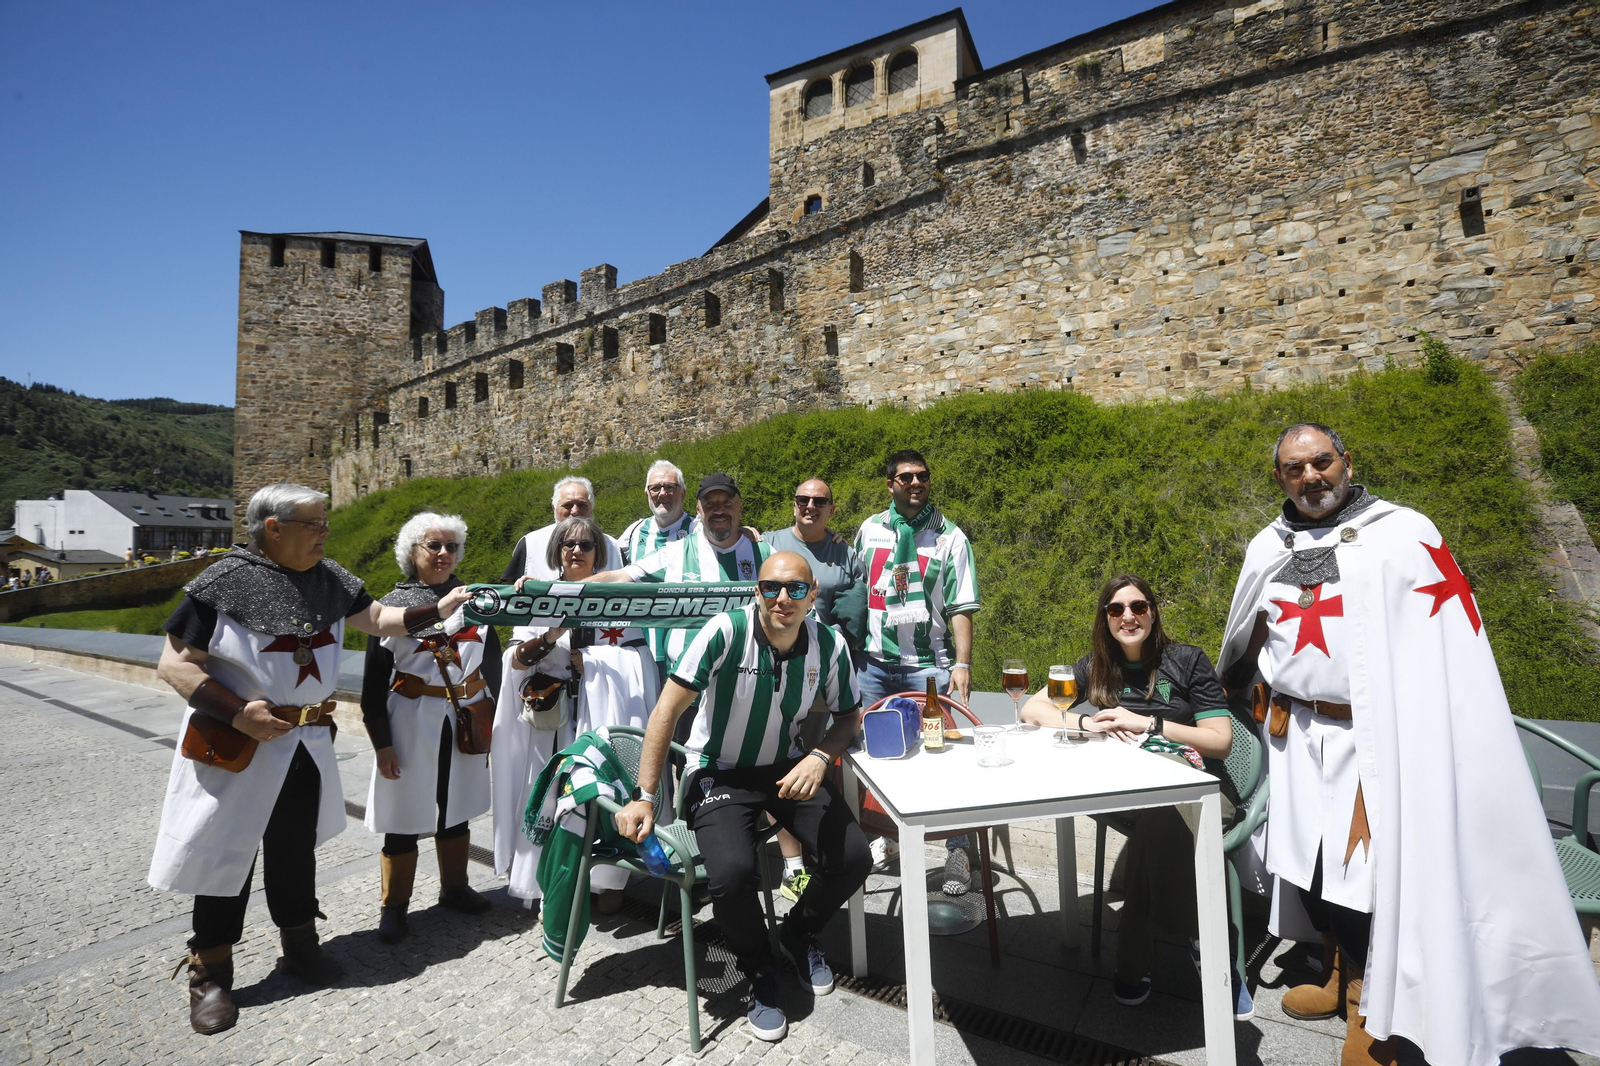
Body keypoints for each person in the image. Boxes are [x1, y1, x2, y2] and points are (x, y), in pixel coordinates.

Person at [1217, 423, 1600, 1066]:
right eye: (1294, 469)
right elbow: (1245, 635)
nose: (1311, 477)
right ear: (1279, 478)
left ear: (1346, 460)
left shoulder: (1403, 534)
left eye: (1321, 462)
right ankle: (1341, 980)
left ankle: (1375, 1009)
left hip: (1380, 742)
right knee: (1308, 868)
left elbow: (1447, 643)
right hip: (1296, 740)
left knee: (1371, 879)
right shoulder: (1269, 545)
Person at [149, 483, 472, 1035]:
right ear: (273, 528)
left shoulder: (329, 579)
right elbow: (176, 665)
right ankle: (211, 974)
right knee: (227, 854)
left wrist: (435, 609)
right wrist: (238, 713)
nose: (326, 531)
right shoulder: (223, 581)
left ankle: (300, 946)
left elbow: (377, 618)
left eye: (324, 522)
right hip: (240, 743)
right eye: (314, 523)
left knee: (294, 850)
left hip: (302, 744)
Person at [614, 552, 869, 1043]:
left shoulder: (829, 644)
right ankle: (761, 969)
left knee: (854, 857)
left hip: (786, 766)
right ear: (756, 589)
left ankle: (796, 932)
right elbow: (666, 709)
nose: (782, 598)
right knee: (730, 876)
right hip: (719, 772)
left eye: (796, 589)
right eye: (772, 586)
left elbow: (848, 718)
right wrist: (645, 795)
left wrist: (818, 758)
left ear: (813, 595)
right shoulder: (724, 632)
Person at [1021, 575, 1242, 1015]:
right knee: (1158, 817)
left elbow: (1220, 740)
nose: (1128, 616)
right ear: (1105, 619)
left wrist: (1150, 724)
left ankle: (1137, 959)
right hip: (1125, 787)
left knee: (1162, 821)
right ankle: (1209, 944)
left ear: (1153, 612)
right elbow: (1029, 708)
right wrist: (1085, 724)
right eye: (1116, 609)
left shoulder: (1186, 660)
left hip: (1197, 783)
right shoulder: (1095, 666)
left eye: (1138, 606)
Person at [492, 515, 658, 914]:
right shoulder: (540, 596)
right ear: (557, 552)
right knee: (558, 802)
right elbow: (514, 658)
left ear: (599, 553)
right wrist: (550, 638)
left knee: (600, 797)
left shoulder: (618, 599)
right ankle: (557, 882)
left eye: (586, 545)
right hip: (555, 724)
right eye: (569, 545)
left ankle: (606, 881)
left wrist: (595, 661)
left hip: (601, 720)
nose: (577, 551)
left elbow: (641, 659)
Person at [361, 511, 500, 945]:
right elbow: (371, 687)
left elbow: (493, 668)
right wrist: (382, 744)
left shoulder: (477, 600)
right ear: (412, 552)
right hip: (411, 720)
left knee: (455, 804)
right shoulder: (389, 608)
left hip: (464, 716)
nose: (444, 554)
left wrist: (494, 726)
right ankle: (394, 906)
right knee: (403, 814)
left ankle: (454, 887)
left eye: (451, 546)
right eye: (433, 546)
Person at [853, 449, 980, 891]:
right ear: (890, 484)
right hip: (873, 666)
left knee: (943, 759)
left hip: (929, 667)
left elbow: (962, 605)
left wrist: (962, 662)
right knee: (874, 759)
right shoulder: (869, 530)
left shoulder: (951, 537)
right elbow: (854, 589)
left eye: (922, 476)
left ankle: (959, 852)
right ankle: (883, 839)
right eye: (905, 477)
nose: (914, 483)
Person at [592, 473, 771, 741]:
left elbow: (801, 589)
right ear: (698, 510)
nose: (719, 509)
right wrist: (551, 588)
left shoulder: (764, 553)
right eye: (710, 504)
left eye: (727, 502)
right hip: (689, 694)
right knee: (689, 777)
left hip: (752, 690)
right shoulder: (676, 553)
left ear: (740, 506)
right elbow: (618, 578)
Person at [762, 477, 864, 901]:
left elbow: (856, 610)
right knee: (780, 765)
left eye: (819, 500)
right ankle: (793, 867)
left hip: (825, 675)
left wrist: (839, 646)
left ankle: (828, 851)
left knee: (820, 765)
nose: (810, 506)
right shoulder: (766, 542)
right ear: (793, 505)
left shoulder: (846, 553)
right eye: (803, 499)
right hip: (774, 675)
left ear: (831, 509)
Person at [500, 475, 622, 583]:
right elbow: (511, 594)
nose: (575, 511)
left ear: (592, 508)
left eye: (582, 505)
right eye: (568, 505)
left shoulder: (614, 546)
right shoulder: (531, 544)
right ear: (554, 508)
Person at [618, 459, 695, 564]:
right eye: (655, 488)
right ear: (647, 495)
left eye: (670, 487)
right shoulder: (634, 531)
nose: (662, 493)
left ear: (682, 494)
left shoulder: (698, 529)